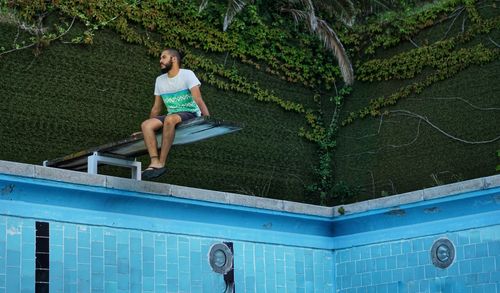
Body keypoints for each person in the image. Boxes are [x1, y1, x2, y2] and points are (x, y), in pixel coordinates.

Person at [140, 48, 209, 180]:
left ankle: (161, 162)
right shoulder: (159, 80)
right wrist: (149, 130)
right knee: (146, 125)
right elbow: (156, 108)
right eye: (160, 58)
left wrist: (207, 118)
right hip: (173, 114)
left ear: (174, 59)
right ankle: (154, 161)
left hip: (190, 112)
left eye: (163, 57)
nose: (160, 60)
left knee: (170, 120)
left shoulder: (187, 74)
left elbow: (198, 99)